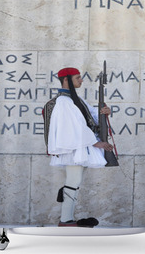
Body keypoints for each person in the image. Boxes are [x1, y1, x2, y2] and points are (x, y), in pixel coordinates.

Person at [43, 67, 114, 227]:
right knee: (73, 181)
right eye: (77, 78)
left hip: (80, 146)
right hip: (74, 148)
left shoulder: (74, 99)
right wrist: (96, 143)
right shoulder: (64, 102)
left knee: (75, 181)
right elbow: (73, 127)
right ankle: (65, 220)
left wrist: (104, 112)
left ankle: (67, 215)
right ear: (66, 80)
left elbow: (90, 115)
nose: (81, 80)